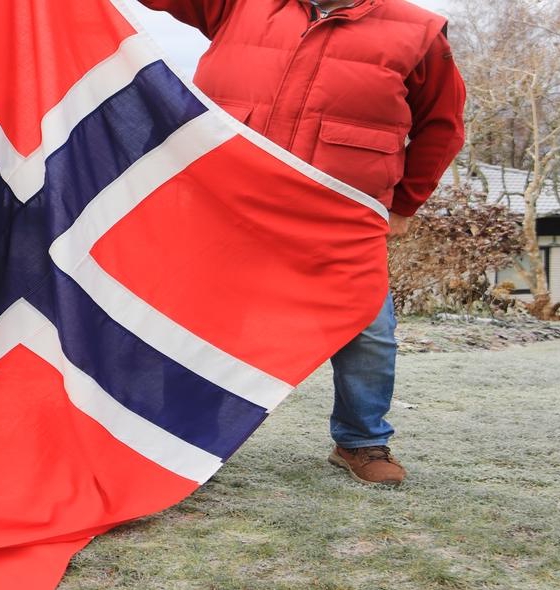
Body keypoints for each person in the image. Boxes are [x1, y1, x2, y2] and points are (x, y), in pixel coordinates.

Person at [139, 0, 466, 485]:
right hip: (230, 201)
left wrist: (405, 203)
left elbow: (442, 126)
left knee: (368, 331)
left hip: (341, 212)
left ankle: (360, 441)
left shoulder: (419, 31)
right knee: (196, 316)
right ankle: (176, 433)